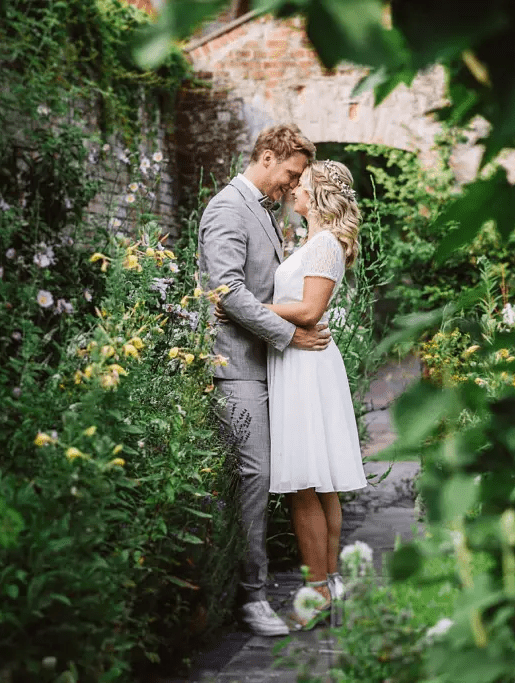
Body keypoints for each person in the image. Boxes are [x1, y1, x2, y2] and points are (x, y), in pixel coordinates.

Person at [198, 123, 331, 637]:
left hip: (266, 365)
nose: (292, 185)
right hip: (237, 367)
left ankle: (257, 586)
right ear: (268, 157)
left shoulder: (263, 210)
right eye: (291, 174)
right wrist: (291, 335)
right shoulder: (228, 209)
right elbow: (228, 292)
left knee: (269, 477)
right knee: (255, 475)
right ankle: (251, 599)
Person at [258, 159, 369, 629]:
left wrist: (250, 307)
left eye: (301, 185)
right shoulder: (313, 242)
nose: (294, 190)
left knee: (305, 482)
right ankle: (329, 582)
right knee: (318, 482)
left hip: (305, 365)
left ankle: (319, 590)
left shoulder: (324, 245)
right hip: (301, 361)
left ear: (318, 196)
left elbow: (309, 310)